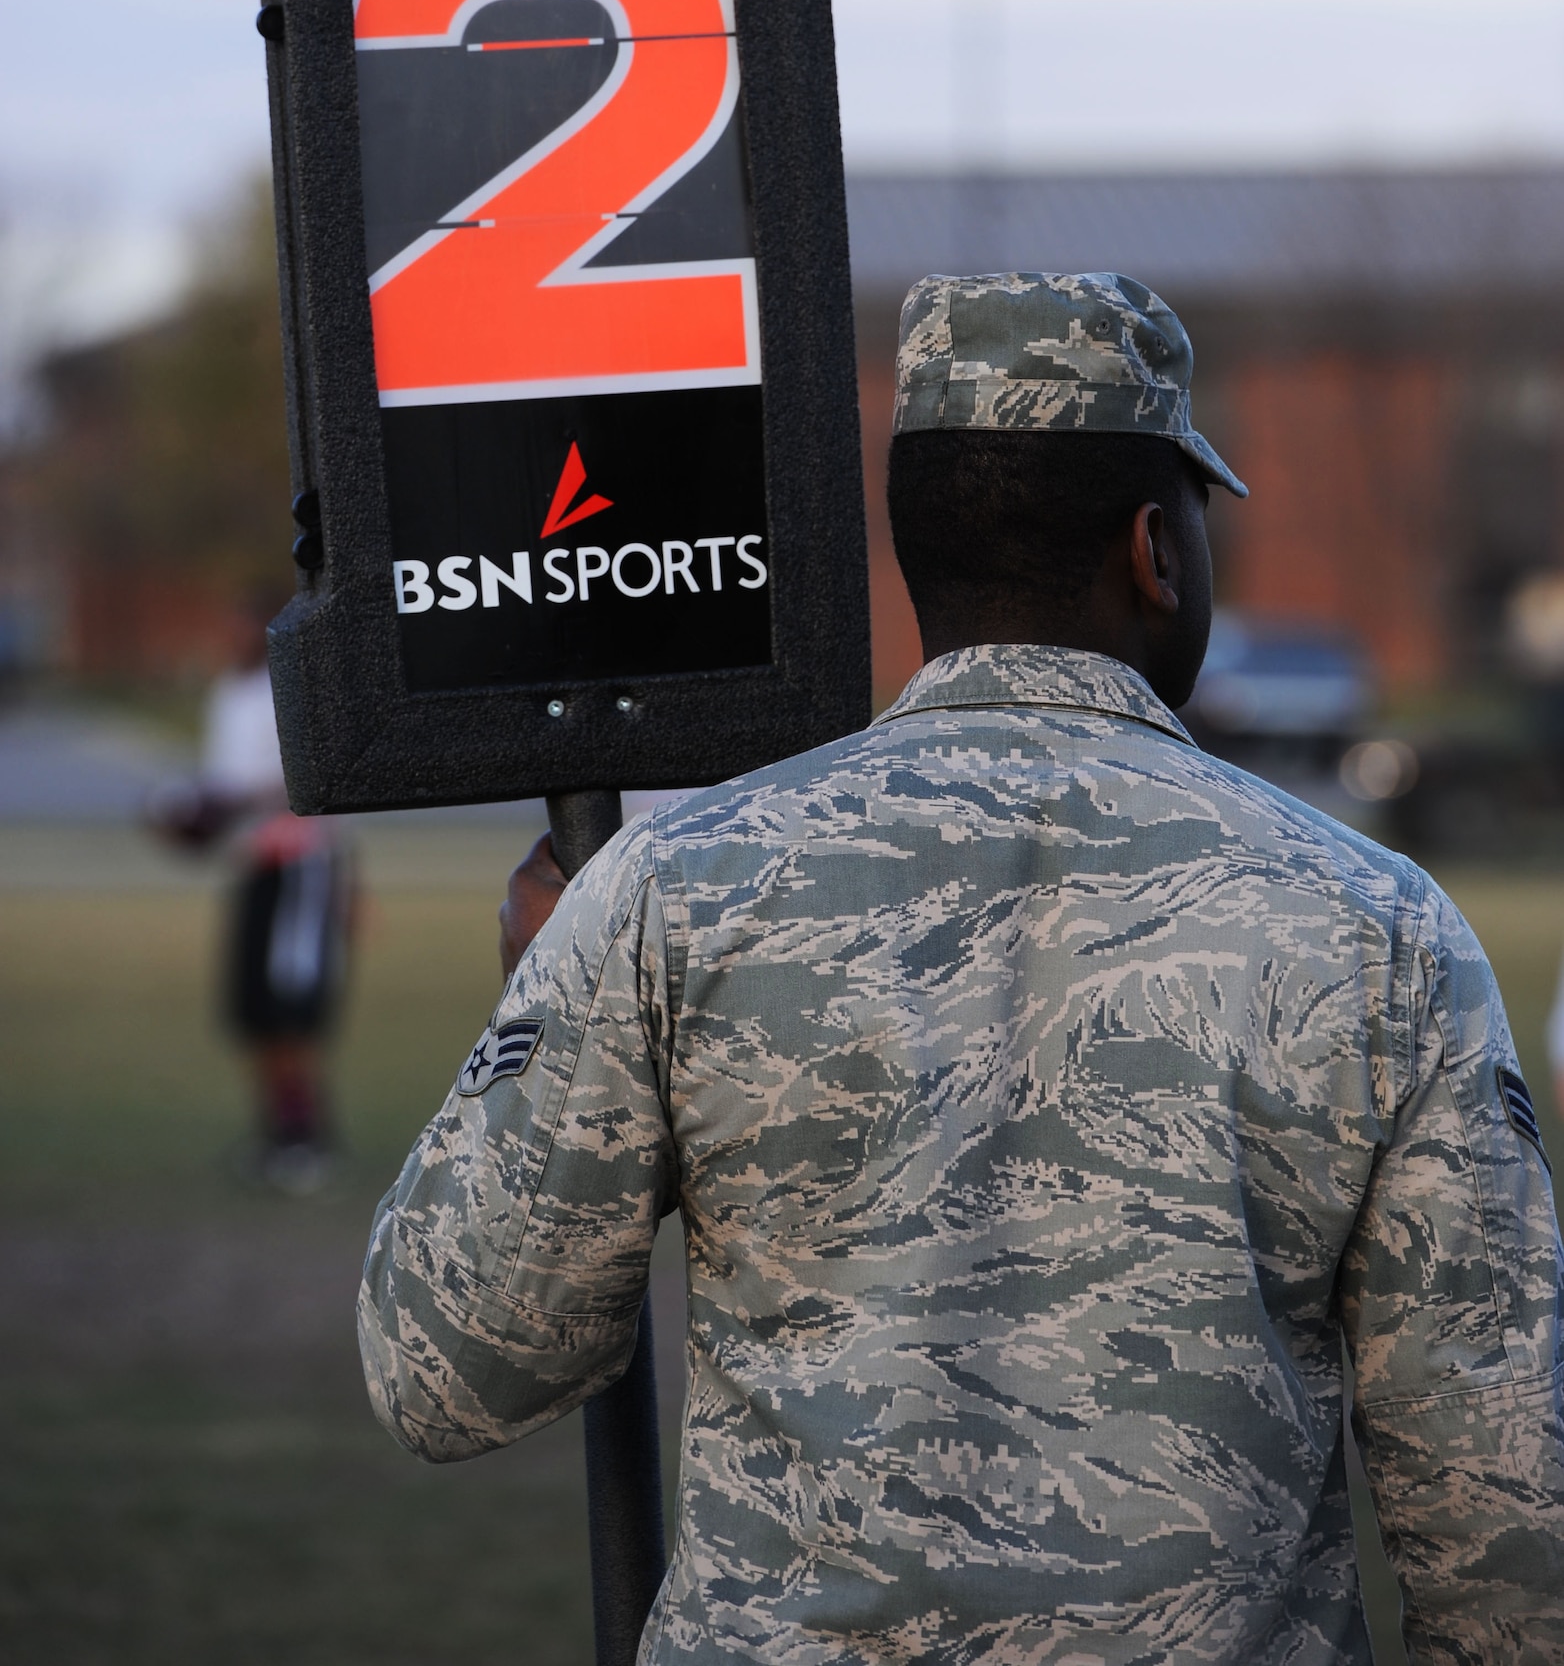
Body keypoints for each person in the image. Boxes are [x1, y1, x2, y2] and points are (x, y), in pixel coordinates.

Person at [359, 272, 1564, 1661]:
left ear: (923, 553)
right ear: (1154, 549)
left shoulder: (677, 887)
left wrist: (546, 985)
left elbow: (445, 1372)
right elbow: (1506, 1523)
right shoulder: (1379, 925)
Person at [149, 599, 352, 1192]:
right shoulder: (227, 693)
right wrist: (189, 817)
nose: (230, 637)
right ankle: (277, 1132)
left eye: (241, 626)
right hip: (254, 865)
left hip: (298, 863)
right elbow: (224, 784)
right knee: (253, 1009)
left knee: (290, 1005)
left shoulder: (285, 691)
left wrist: (223, 805)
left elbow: (302, 780)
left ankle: (304, 1139)